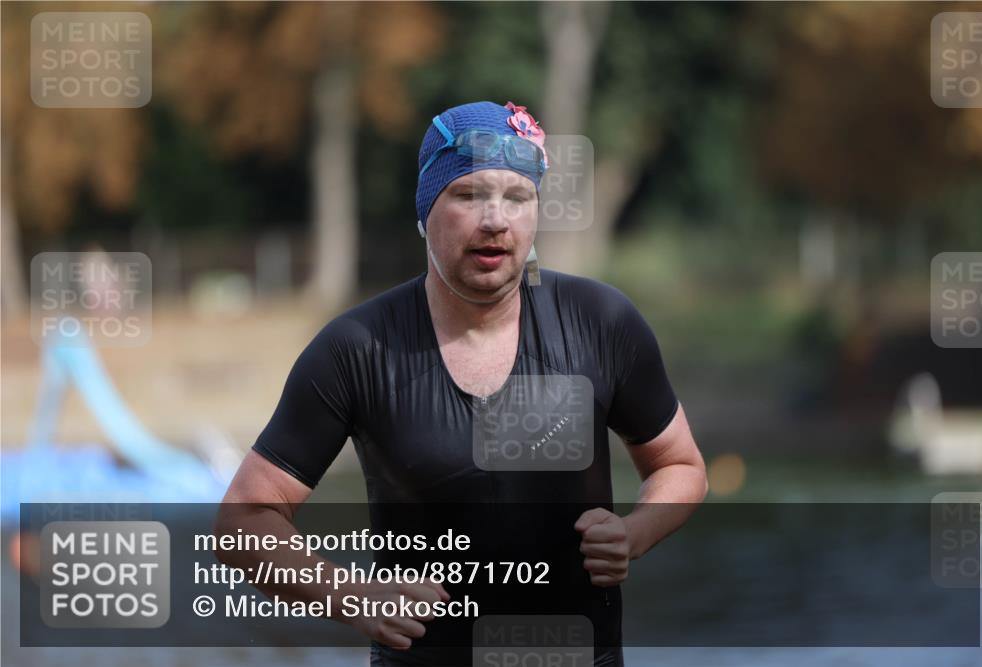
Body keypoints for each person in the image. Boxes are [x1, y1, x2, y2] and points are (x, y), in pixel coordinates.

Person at [216, 100, 708, 666]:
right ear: (427, 210)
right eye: (469, 194)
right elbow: (245, 520)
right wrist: (353, 595)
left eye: (518, 198)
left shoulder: (601, 323)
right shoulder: (356, 348)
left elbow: (680, 465)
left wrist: (636, 532)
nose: (495, 219)